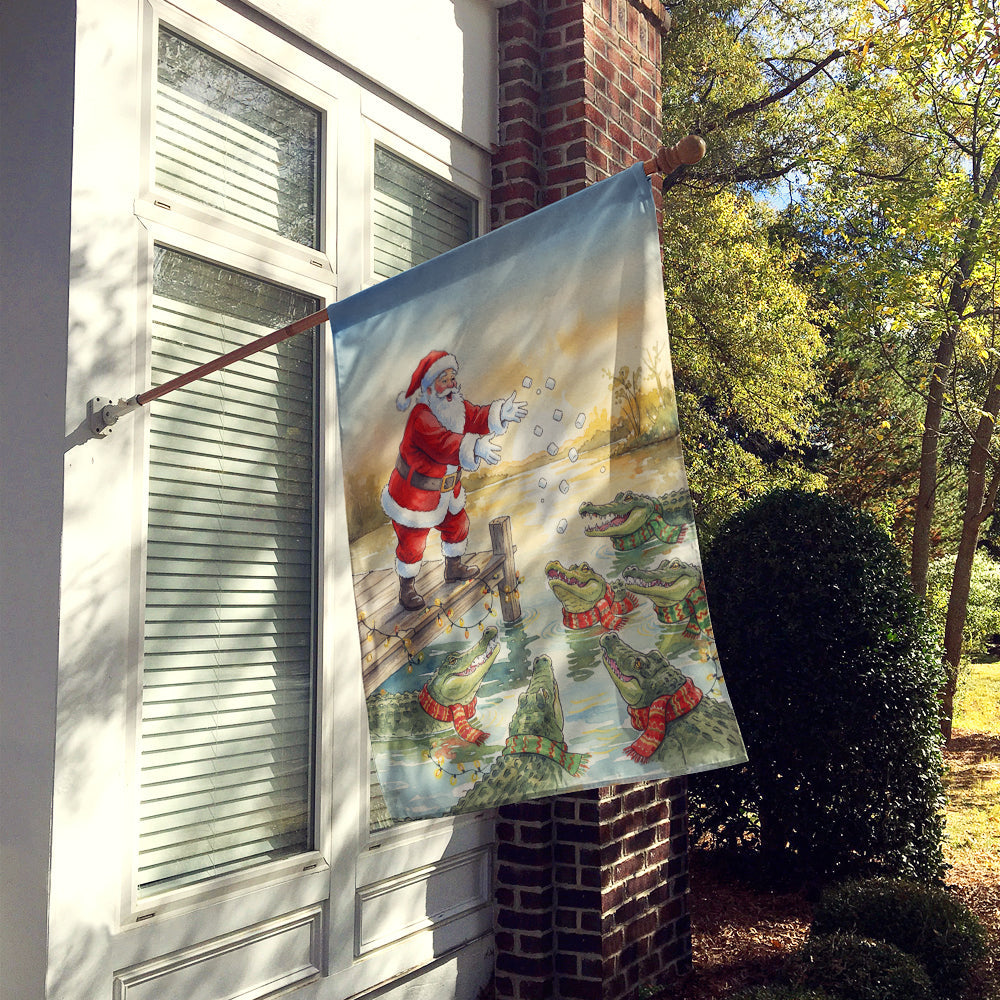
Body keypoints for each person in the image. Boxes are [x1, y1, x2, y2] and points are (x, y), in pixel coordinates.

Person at [382, 350, 527, 610]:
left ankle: (453, 567)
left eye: (452, 378)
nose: (451, 384)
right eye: (444, 379)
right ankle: (407, 587)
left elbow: (475, 416)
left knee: (457, 525)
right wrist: (475, 446)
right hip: (414, 496)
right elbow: (442, 443)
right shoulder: (421, 417)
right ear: (429, 388)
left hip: (446, 491)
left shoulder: (455, 407)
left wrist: (499, 413)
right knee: (412, 542)